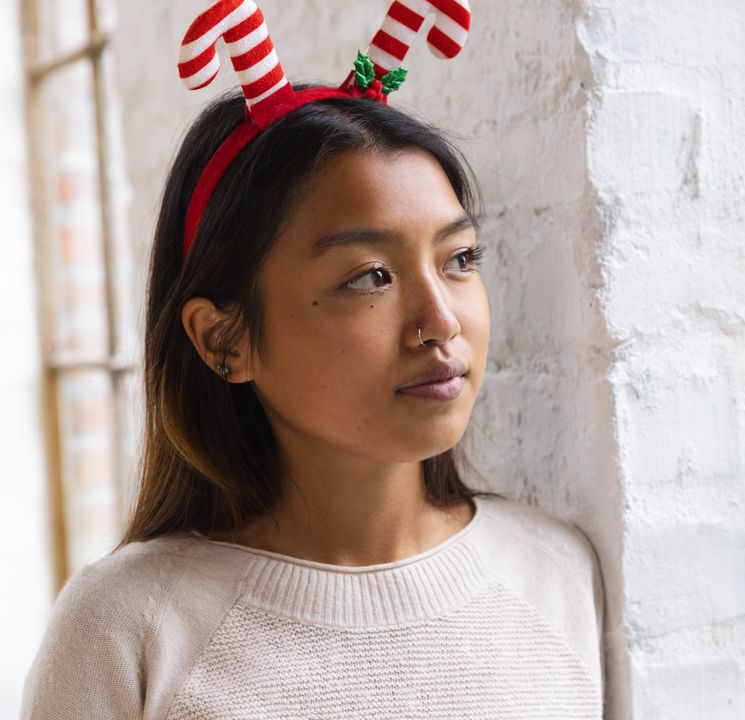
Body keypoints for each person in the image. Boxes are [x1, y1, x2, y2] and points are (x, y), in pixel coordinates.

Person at [19, 3, 605, 718]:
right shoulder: (128, 629)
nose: (441, 321)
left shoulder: (559, 574)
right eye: (369, 277)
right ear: (223, 342)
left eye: (459, 259)